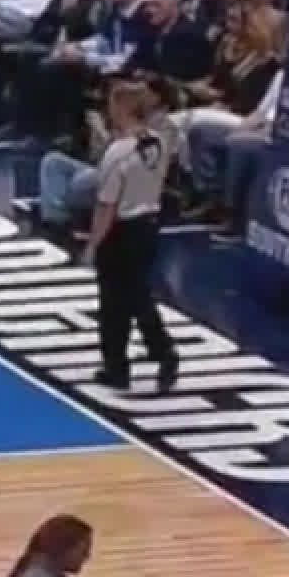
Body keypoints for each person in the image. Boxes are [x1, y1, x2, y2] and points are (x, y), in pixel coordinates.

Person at [86, 81, 180, 393]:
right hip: (148, 226)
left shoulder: (118, 152)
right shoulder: (159, 141)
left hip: (121, 232)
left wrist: (93, 245)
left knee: (114, 302)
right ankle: (160, 350)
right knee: (137, 294)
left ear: (121, 108)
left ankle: (120, 366)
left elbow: (106, 205)